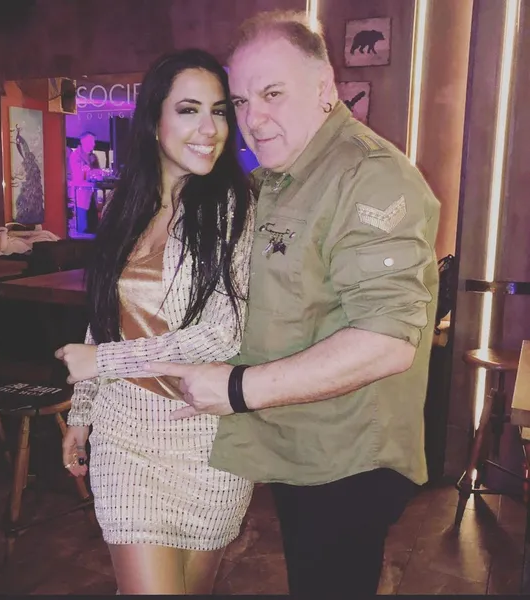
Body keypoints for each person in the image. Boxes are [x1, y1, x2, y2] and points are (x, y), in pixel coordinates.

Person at [149, 11, 441, 597]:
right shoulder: (282, 176)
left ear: (325, 88)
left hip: (346, 455)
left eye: (273, 94)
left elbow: (387, 342)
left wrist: (236, 389)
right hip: (297, 439)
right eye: (240, 101)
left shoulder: (369, 176)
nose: (253, 119)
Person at [55, 48, 254, 595]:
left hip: (208, 444)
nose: (209, 129)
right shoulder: (126, 205)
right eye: (189, 110)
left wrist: (103, 361)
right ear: (153, 120)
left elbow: (222, 333)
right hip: (125, 437)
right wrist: (82, 413)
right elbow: (105, 318)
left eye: (219, 111)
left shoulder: (233, 208)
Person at [68, 131, 101, 234]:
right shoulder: (75, 155)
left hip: (91, 193)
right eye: (91, 141)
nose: (94, 144)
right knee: (82, 226)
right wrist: (91, 173)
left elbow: (98, 173)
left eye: (94, 142)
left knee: (93, 225)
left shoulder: (93, 157)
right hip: (80, 194)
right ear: (83, 141)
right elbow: (79, 175)